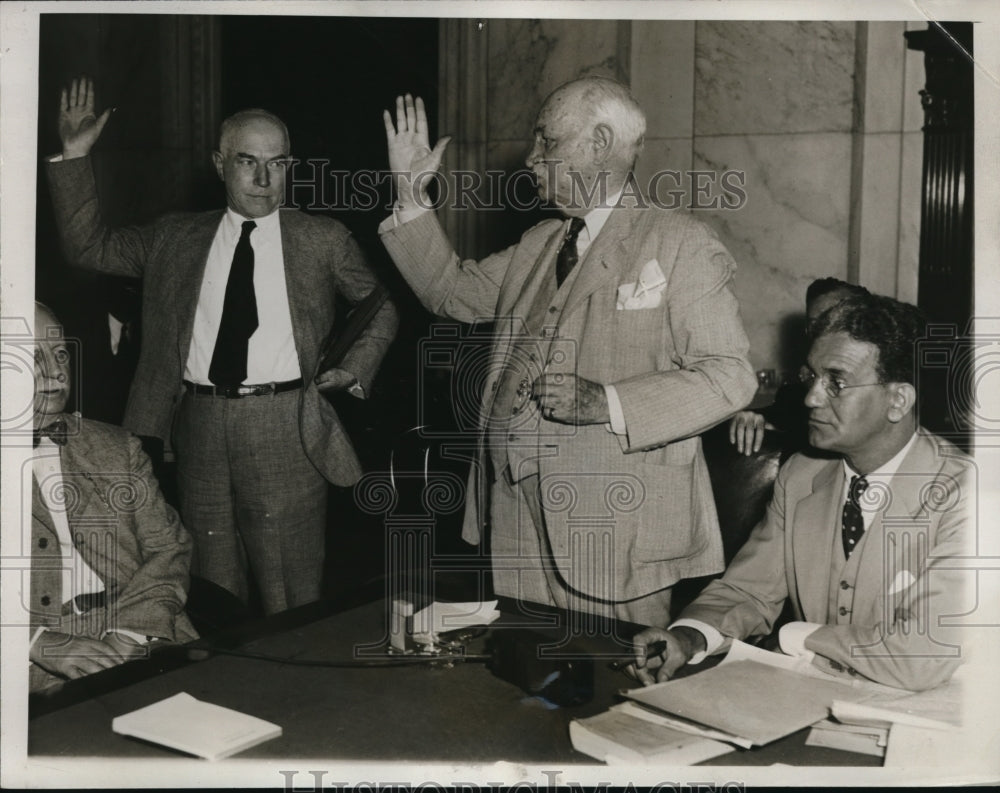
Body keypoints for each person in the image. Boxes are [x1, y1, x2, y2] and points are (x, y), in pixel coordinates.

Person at [379, 78, 757, 624]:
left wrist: (610, 403)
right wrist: (412, 197)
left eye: (547, 141)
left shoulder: (681, 243)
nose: (532, 158)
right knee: (525, 688)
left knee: (611, 693)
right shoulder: (541, 242)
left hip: (615, 531)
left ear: (600, 143)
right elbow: (450, 292)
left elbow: (729, 376)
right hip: (513, 516)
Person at [45, 78, 398, 614]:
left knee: (292, 599)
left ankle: (296, 697)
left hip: (287, 425)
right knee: (213, 592)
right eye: (247, 161)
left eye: (277, 163)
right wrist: (74, 155)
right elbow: (88, 246)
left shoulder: (322, 238)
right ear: (219, 163)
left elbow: (381, 306)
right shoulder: (173, 238)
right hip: (198, 426)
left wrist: (352, 371)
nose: (263, 178)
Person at [632, 294, 972, 691]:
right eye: (811, 377)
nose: (811, 398)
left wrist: (794, 636)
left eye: (836, 383)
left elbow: (923, 655)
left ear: (898, 400)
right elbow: (748, 590)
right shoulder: (802, 475)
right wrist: (688, 637)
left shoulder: (969, 496)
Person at [29, 303, 199, 692]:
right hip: (32, 659)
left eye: (59, 354)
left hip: (141, 624)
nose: (55, 371)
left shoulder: (116, 446)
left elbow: (169, 549)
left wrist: (129, 632)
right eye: (32, 356)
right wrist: (35, 642)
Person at [729, 278, 871, 456]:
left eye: (839, 323)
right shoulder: (797, 394)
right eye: (815, 326)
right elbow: (779, 420)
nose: (825, 334)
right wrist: (751, 420)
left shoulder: (884, 387)